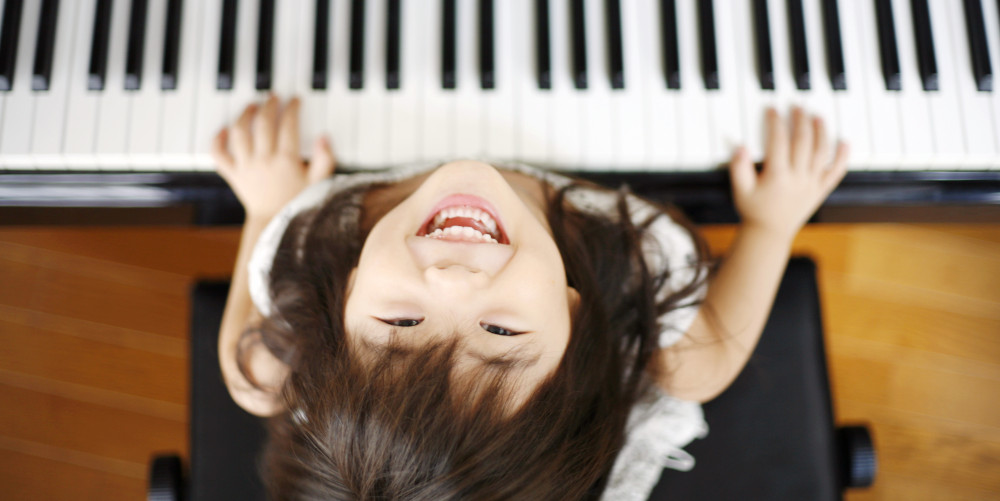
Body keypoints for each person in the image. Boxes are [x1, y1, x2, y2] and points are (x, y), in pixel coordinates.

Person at [212, 95, 849, 501]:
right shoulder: (644, 265)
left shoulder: (302, 244)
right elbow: (715, 354)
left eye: (401, 321)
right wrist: (771, 223)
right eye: (500, 332)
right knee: (697, 369)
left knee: (253, 380)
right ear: (573, 317)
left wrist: (266, 207)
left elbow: (255, 351)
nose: (454, 281)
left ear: (347, 292)